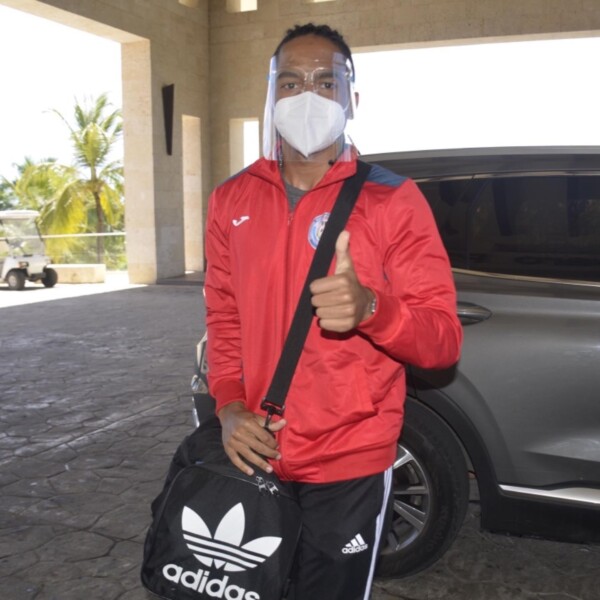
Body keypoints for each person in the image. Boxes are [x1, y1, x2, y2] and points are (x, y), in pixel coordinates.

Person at [204, 23, 463, 600]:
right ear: (271, 95)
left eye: (326, 82)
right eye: (290, 82)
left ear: (352, 99)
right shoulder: (231, 199)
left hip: (349, 462)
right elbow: (224, 318)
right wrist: (228, 407)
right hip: (255, 450)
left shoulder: (393, 200)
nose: (307, 96)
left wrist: (372, 308)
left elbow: (443, 341)